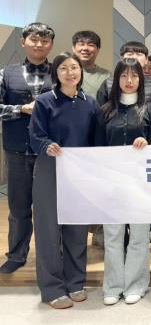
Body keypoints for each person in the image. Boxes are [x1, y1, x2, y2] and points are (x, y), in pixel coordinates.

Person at [29, 51, 97, 309]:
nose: (70, 73)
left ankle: (75, 282)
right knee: (48, 230)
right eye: (64, 68)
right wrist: (46, 145)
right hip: (50, 169)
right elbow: (36, 135)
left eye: (74, 67)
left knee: (77, 229)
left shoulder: (89, 102)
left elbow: (95, 139)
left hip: (79, 173)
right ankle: (52, 289)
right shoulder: (45, 101)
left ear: (81, 71)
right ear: (55, 73)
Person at [94, 59, 151, 306]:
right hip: (112, 184)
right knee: (113, 236)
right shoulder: (104, 111)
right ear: (116, 80)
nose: (129, 80)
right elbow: (97, 149)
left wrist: (146, 144)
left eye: (134, 76)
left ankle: (136, 285)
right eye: (124, 75)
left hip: (141, 184)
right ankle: (112, 286)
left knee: (139, 237)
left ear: (141, 80)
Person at [0, 22, 54, 274]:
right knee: (18, 207)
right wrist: (20, 108)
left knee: (50, 208)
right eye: (34, 39)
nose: (39, 44)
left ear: (51, 44)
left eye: (45, 40)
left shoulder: (60, 72)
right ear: (23, 42)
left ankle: (52, 254)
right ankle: (16, 254)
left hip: (50, 151)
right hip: (17, 150)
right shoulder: (6, 73)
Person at [96, 41, 151, 118]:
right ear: (121, 58)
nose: (134, 57)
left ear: (146, 59)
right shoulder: (108, 83)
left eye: (139, 54)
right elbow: (101, 113)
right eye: (130, 54)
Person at [71, 30, 110, 97]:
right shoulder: (64, 72)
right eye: (81, 44)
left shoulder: (107, 75)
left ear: (98, 49)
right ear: (73, 48)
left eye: (91, 45)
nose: (85, 48)